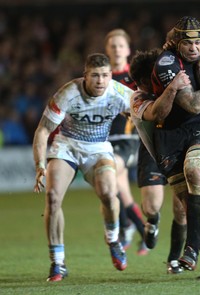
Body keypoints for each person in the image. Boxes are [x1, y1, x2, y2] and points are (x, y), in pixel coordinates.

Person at [33, 53, 133, 282]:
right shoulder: (68, 93)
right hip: (66, 147)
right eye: (95, 76)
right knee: (52, 197)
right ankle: (58, 262)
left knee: (109, 194)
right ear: (85, 75)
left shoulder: (119, 93)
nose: (100, 81)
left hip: (99, 149)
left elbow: (144, 117)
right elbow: (43, 131)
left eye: (105, 75)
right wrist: (40, 165)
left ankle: (113, 239)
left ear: (110, 75)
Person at [130, 47, 200, 280]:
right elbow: (158, 113)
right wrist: (172, 86)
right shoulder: (139, 98)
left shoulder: (183, 90)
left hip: (196, 144)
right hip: (166, 154)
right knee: (190, 209)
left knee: (193, 203)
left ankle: (189, 255)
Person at [104, 28, 148, 255]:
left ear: (128, 49)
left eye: (120, 45)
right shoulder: (102, 78)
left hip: (128, 140)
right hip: (105, 141)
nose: (117, 49)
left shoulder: (134, 78)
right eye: (112, 46)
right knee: (119, 189)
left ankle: (127, 228)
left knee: (108, 175)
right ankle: (142, 232)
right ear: (107, 50)